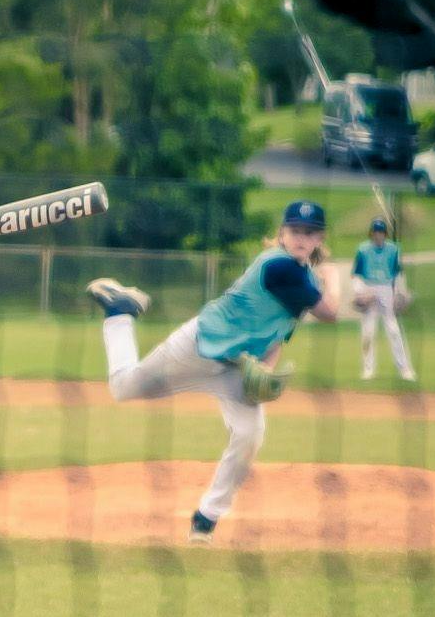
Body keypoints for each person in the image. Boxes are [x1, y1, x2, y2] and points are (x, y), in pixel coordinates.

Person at [87, 199, 341, 545]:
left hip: (234, 368)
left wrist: (263, 372)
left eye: (309, 233)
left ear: (319, 239)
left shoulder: (303, 278)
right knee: (123, 388)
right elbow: (330, 313)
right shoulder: (281, 266)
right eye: (295, 230)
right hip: (197, 347)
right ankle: (120, 311)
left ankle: (205, 519)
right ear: (282, 233)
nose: (301, 237)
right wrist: (334, 280)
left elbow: (278, 334)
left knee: (250, 434)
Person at [351, 214, 417, 382]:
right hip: (368, 287)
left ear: (385, 234)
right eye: (375, 232)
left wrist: (400, 292)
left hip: (386, 288)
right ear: (371, 233)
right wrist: (360, 293)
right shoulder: (363, 249)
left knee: (393, 330)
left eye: (380, 232)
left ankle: (404, 369)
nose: (378, 235)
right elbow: (357, 274)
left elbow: (398, 273)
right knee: (368, 332)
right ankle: (368, 369)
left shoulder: (394, 249)